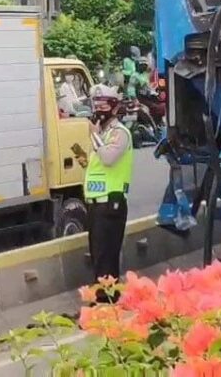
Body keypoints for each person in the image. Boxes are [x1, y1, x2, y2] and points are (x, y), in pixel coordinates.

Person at [83, 85, 135, 302]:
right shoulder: (104, 134)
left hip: (111, 204)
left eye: (103, 104)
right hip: (96, 205)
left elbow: (108, 158)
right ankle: (105, 303)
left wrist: (94, 138)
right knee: (98, 257)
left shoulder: (119, 134)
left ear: (114, 108)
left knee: (106, 258)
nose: (98, 109)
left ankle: (107, 304)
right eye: (95, 104)